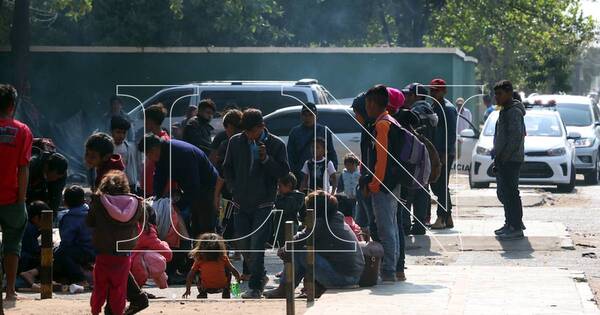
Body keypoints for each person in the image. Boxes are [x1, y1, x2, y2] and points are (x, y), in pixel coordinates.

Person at [222, 108, 290, 298]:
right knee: (243, 243)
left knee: (257, 245)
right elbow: (227, 167)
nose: (248, 135)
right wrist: (233, 187)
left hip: (264, 203)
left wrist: (266, 159)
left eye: (251, 131)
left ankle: (255, 287)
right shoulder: (236, 142)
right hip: (240, 202)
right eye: (245, 131)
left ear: (262, 127)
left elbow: (283, 172)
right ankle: (260, 276)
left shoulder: (276, 144)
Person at [264, 191, 364, 299]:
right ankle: (311, 288)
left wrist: (284, 250)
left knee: (300, 253)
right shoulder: (334, 219)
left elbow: (297, 242)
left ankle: (284, 289)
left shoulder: (321, 223)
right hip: (352, 276)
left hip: (343, 278)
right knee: (308, 251)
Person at [87, 170, 144, 315]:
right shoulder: (137, 203)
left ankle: (95, 311)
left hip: (103, 253)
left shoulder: (98, 202)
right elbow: (144, 221)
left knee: (100, 286)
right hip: (123, 254)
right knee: (119, 287)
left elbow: (89, 222)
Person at [140, 134, 218, 237]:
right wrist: (157, 200)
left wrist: (178, 206)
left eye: (148, 153)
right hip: (191, 187)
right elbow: (160, 177)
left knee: (205, 226)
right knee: (194, 223)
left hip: (207, 187)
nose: (148, 157)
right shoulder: (162, 154)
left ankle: (210, 250)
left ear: (154, 149)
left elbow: (193, 185)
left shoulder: (181, 154)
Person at [364, 84, 404, 282]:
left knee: (386, 229)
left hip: (384, 186)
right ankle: (391, 267)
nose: (366, 107)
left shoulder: (382, 125)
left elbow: (382, 160)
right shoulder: (390, 120)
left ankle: (388, 270)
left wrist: (374, 184)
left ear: (372, 103)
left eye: (367, 103)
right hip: (392, 184)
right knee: (392, 228)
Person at [0, 84, 33, 300]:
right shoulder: (22, 131)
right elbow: (23, 168)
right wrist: (21, 199)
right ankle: (10, 291)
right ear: (12, 105)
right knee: (12, 246)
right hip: (12, 198)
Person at [400, 83, 438, 235]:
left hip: (413, 156)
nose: (406, 98)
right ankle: (420, 224)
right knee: (423, 188)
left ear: (418, 96)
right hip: (428, 156)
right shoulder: (431, 112)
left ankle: (405, 224)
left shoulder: (414, 112)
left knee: (408, 189)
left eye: (409, 95)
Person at [492, 80, 526, 240]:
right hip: (503, 159)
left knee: (511, 193)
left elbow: (515, 138)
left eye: (499, 94)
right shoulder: (505, 110)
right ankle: (509, 223)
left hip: (511, 160)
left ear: (508, 93)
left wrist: (504, 157)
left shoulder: (513, 112)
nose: (496, 97)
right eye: (495, 94)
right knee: (504, 193)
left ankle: (516, 226)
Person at [429, 78, 458, 230]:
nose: (433, 93)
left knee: (440, 185)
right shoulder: (433, 107)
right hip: (435, 152)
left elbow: (451, 133)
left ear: (444, 91)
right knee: (438, 185)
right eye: (432, 90)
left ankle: (441, 217)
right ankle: (448, 217)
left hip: (443, 152)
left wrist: (446, 152)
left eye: (436, 90)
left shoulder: (448, 108)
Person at [287, 102, 338, 187]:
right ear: (301, 116)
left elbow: (331, 153)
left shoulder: (324, 131)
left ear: (316, 115)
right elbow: (290, 156)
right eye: (305, 115)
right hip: (301, 178)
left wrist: (331, 172)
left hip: (321, 178)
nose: (308, 117)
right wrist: (294, 174)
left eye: (310, 114)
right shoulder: (295, 132)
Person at [54, 185, 95, 285]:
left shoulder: (69, 218)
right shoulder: (91, 212)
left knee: (60, 253)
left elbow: (66, 242)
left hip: (85, 252)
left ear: (65, 202)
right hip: (96, 251)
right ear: (84, 200)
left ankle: (79, 278)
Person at [183, 233, 241, 299]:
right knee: (228, 271)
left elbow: (190, 275)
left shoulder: (200, 259)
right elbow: (233, 270)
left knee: (195, 272)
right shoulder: (223, 257)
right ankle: (226, 291)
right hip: (221, 286)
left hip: (206, 287)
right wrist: (238, 279)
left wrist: (188, 290)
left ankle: (202, 292)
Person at [130, 207, 173, 289]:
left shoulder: (129, 227)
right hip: (133, 264)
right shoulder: (146, 230)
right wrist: (165, 244)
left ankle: (134, 290)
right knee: (155, 258)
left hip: (123, 262)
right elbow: (166, 253)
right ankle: (136, 290)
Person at [141, 103, 170, 195]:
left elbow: (169, 171)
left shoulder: (163, 141)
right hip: (149, 190)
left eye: (145, 120)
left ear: (150, 122)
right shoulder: (152, 139)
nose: (144, 123)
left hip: (157, 192)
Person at [27, 148, 68, 213]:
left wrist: (51, 218)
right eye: (54, 176)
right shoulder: (32, 166)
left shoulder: (61, 173)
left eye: (58, 178)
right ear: (47, 167)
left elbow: (55, 199)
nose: (56, 179)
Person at [17, 201, 46, 290]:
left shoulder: (26, 225)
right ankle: (30, 274)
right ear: (36, 218)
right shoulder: (30, 229)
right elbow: (34, 251)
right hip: (24, 261)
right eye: (45, 219)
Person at [274, 173, 306, 246]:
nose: (278, 188)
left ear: (289, 185)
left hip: (289, 226)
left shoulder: (295, 197)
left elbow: (286, 208)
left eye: (280, 186)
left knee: (288, 246)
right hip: (280, 226)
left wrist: (277, 197)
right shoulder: (297, 197)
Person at [111, 115, 140, 192]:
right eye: (118, 132)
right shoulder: (107, 148)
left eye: (124, 133)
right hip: (112, 186)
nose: (121, 136)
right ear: (112, 132)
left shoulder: (129, 147)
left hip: (128, 185)